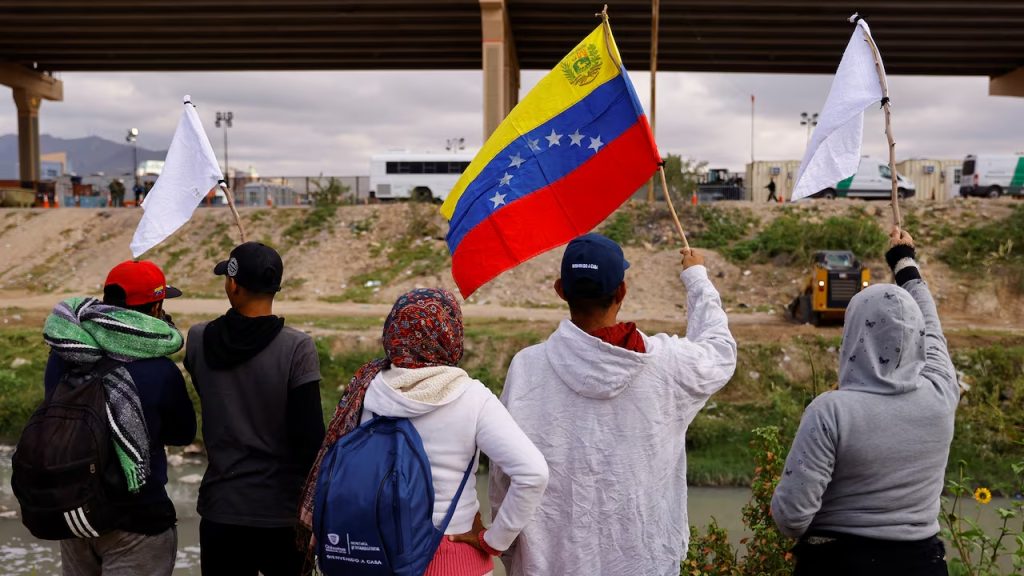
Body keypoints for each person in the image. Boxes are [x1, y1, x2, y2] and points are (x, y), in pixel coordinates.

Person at [490, 233, 737, 576]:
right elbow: (720, 353)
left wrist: (511, 548)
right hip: (644, 562)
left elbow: (504, 475)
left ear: (560, 290)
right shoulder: (665, 365)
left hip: (550, 564)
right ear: (622, 292)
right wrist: (696, 277)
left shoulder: (527, 367)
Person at [299, 288, 549, 576]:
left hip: (370, 555)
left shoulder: (366, 390)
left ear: (393, 332)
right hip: (453, 560)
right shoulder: (472, 398)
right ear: (450, 334)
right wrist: (494, 540)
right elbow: (533, 473)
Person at [771, 228, 956, 576]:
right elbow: (933, 327)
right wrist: (904, 262)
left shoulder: (830, 412)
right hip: (924, 564)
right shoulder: (941, 393)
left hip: (838, 564)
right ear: (916, 334)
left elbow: (790, 518)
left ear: (853, 333)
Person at [43, 260, 195, 576]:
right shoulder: (160, 370)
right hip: (138, 520)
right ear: (155, 307)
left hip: (76, 513)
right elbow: (183, 433)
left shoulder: (63, 353)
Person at [184, 242, 325, 576]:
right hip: (283, 514)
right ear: (275, 286)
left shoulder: (199, 338)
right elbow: (311, 441)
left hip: (222, 510)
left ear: (233, 284)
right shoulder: (297, 347)